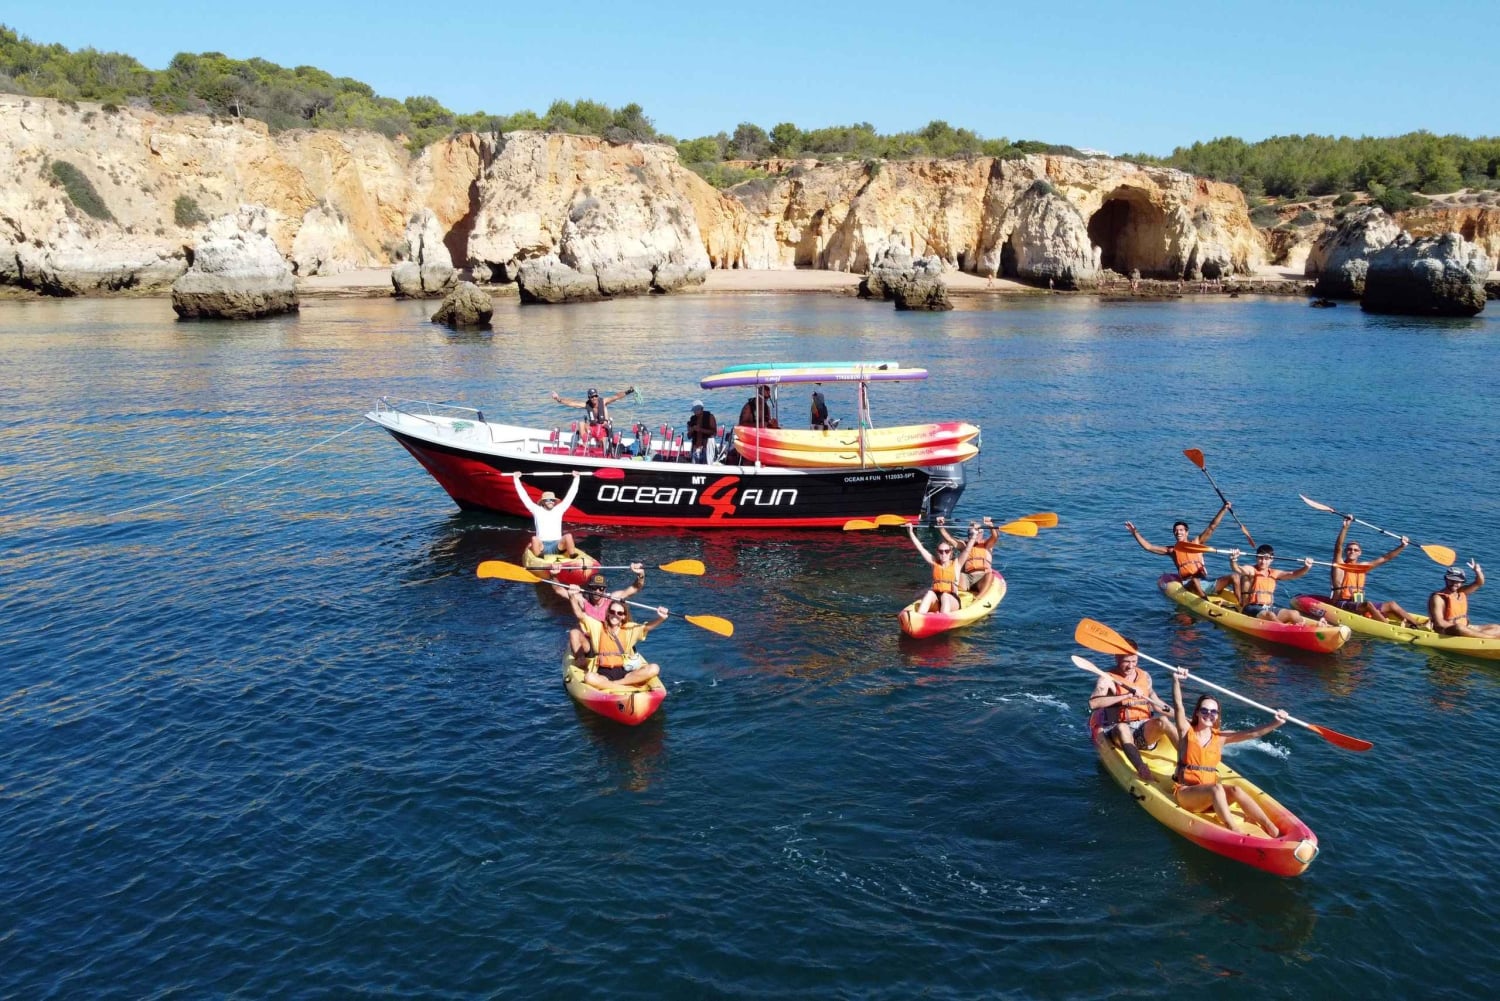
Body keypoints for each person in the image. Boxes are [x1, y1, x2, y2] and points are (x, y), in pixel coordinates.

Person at [1169, 668, 1288, 837]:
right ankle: (1234, 829)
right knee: (1216, 789)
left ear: (1217, 716)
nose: (1208, 714)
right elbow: (1178, 705)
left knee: (1235, 790)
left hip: (1209, 798)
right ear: (1197, 712)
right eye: (1204, 710)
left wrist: (1276, 723)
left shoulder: (1220, 738)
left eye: (1213, 712)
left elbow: (1252, 733)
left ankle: (1270, 827)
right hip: (1187, 793)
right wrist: (1176, 681)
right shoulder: (1186, 731)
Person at [1088, 645, 1178, 782]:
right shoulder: (1107, 679)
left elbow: (1158, 705)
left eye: (1134, 661)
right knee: (1122, 727)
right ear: (1117, 658)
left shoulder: (1145, 676)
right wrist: (1126, 696)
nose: (1131, 666)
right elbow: (1093, 703)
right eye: (1126, 661)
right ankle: (1142, 770)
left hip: (1142, 732)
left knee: (1164, 721)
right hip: (1117, 730)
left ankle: (1189, 760)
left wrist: (1181, 716)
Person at [1125, 502, 1236, 598]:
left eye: (1181, 530)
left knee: (1234, 577)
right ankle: (1204, 601)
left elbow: (1212, 526)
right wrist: (1135, 532)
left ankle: (1244, 605)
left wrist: (1223, 509)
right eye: (1176, 531)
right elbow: (1148, 547)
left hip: (1206, 582)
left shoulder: (1197, 543)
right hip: (1189, 583)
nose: (1178, 532)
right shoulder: (1172, 550)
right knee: (1194, 580)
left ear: (1187, 532)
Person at [1328, 514, 1422, 627]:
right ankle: (1388, 626)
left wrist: (1402, 546)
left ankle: (1417, 625)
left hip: (1357, 603)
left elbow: (1385, 558)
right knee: (1367, 604)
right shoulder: (1340, 566)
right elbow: (1338, 547)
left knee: (1392, 604)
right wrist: (1345, 527)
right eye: (1349, 549)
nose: (1352, 551)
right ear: (1346, 552)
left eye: (1355, 550)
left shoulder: (1363, 567)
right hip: (1342, 603)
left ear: (1359, 553)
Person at [565, 564, 647, 666]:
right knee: (574, 632)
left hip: (610, 640)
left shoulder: (612, 598)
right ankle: (581, 664)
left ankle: (625, 656)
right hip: (591, 643)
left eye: (601, 588)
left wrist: (641, 575)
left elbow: (635, 588)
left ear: (605, 589)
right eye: (594, 588)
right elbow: (558, 590)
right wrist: (553, 576)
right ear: (589, 588)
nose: (597, 591)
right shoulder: (582, 600)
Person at [576, 600, 668, 689]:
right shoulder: (598, 626)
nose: (615, 615)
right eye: (612, 612)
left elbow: (647, 627)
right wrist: (572, 596)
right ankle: (621, 686)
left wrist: (661, 618)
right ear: (608, 613)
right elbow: (580, 615)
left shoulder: (629, 629)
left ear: (623, 616)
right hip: (604, 672)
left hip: (624, 671)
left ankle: (615, 684)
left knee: (654, 668)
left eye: (619, 613)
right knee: (589, 678)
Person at [1227, 545, 1316, 624]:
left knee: (1294, 613)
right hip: (1251, 609)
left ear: (1271, 560)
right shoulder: (1251, 570)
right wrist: (1233, 559)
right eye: (1260, 558)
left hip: (1268, 608)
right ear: (1256, 558)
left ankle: (1308, 629)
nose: (1263, 561)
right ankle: (1284, 630)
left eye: (1266, 559)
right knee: (1270, 615)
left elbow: (1293, 574)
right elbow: (1238, 569)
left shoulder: (1274, 573)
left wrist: (1306, 567)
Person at [906, 521, 980, 614]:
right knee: (929, 593)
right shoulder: (934, 562)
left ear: (950, 553)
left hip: (952, 599)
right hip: (937, 598)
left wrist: (974, 535)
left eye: (946, 551)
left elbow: (967, 549)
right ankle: (920, 617)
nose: (943, 554)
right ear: (937, 553)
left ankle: (942, 618)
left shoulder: (957, 564)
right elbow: (920, 548)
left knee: (945, 595)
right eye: (941, 551)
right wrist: (910, 532)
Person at [511, 471, 581, 558]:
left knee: (568, 536)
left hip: (557, 545)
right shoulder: (536, 509)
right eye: (548, 500)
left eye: (552, 500)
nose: (550, 501)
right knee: (534, 539)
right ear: (543, 502)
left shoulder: (559, 509)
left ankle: (572, 557)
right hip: (542, 546)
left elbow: (571, 495)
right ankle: (540, 559)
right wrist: (516, 479)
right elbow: (523, 496)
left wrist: (577, 478)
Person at [1428, 562, 1500, 638]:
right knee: (1459, 627)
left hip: (1465, 627)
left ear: (1462, 582)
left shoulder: (1462, 592)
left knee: (1496, 627)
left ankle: (1483, 637)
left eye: (1458, 581)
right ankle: (1491, 639)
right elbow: (1439, 623)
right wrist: (1465, 628)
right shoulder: (1438, 598)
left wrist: (1478, 571)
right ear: (1446, 579)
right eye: (1451, 580)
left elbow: (1479, 583)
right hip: (1446, 631)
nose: (1454, 583)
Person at [550, 385, 635, 444]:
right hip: (592, 428)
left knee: (602, 438)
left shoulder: (603, 401)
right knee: (581, 424)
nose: (594, 398)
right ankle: (585, 442)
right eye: (592, 397)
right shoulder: (587, 405)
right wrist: (559, 399)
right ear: (589, 398)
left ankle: (604, 452)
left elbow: (616, 396)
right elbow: (573, 403)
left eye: (595, 396)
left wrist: (628, 391)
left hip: (602, 428)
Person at [937, 516, 998, 594]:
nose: (973, 535)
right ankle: (957, 595)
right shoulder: (964, 545)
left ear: (981, 533)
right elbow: (949, 539)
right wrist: (941, 526)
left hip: (982, 576)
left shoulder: (987, 544)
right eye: (970, 533)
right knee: (957, 574)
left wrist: (991, 525)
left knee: (990, 575)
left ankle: (980, 597)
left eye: (976, 533)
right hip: (967, 577)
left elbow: (995, 536)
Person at [686, 399, 718, 464]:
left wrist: (700, 429)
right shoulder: (692, 419)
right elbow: (689, 436)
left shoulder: (710, 417)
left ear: (702, 409)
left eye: (697, 409)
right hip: (696, 448)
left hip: (707, 446)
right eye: (694, 410)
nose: (695, 412)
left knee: (707, 465)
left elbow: (714, 433)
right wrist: (692, 429)